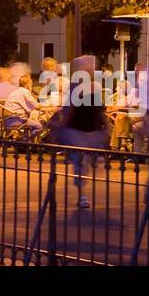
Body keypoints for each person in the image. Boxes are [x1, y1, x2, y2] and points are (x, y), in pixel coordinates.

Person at [58, 55, 108, 209]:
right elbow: (71, 108)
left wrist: (105, 126)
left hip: (92, 129)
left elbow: (99, 108)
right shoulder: (76, 85)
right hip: (77, 129)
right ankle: (82, 195)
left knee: (85, 162)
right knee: (80, 163)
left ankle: (83, 189)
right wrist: (62, 125)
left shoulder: (95, 86)